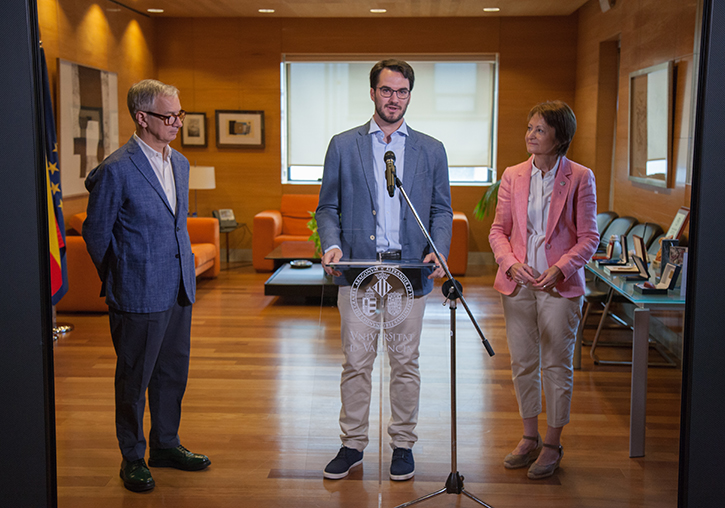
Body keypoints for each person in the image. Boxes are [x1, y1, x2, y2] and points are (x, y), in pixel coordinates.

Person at [316, 59, 453, 482]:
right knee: (357, 362)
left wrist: (438, 249)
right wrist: (333, 244)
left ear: (410, 94)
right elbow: (328, 207)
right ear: (372, 92)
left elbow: (441, 209)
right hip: (357, 273)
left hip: (408, 274)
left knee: (405, 362)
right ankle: (352, 443)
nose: (395, 98)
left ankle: (403, 445)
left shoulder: (431, 149)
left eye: (402, 91)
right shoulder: (343, 144)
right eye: (387, 90)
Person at [83, 79, 210, 493]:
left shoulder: (181, 164)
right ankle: (133, 457)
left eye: (180, 114)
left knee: (173, 373)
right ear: (142, 118)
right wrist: (121, 276)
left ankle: (166, 445)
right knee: (134, 380)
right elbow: (96, 233)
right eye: (169, 116)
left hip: (178, 289)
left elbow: (176, 227)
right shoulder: (116, 169)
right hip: (137, 292)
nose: (177, 122)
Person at [488, 101, 598, 479]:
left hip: (558, 285)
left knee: (556, 364)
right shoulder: (513, 175)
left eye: (539, 129)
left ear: (560, 137)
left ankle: (552, 442)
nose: (530, 135)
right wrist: (510, 263)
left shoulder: (581, 177)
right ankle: (529, 436)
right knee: (523, 363)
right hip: (518, 283)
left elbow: (589, 238)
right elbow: (498, 231)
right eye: (529, 127)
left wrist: (559, 268)